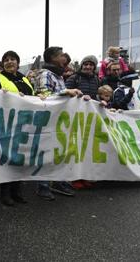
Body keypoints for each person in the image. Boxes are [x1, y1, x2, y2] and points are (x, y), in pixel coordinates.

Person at [33, 46, 83, 200]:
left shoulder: (59, 76)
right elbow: (43, 95)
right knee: (46, 153)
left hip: (59, 121)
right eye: (61, 55)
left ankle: (59, 182)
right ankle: (43, 185)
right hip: (46, 122)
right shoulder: (45, 74)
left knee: (58, 151)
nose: (64, 58)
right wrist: (65, 92)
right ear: (53, 58)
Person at [0, 50, 32, 206]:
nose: (10, 62)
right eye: (6, 60)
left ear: (17, 62)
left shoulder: (25, 79)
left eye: (13, 59)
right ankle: (5, 193)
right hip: (7, 123)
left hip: (25, 123)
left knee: (21, 158)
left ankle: (17, 191)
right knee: (8, 158)